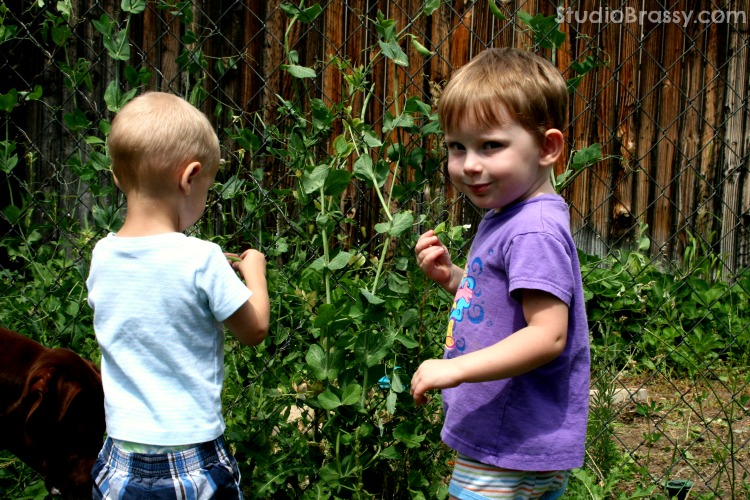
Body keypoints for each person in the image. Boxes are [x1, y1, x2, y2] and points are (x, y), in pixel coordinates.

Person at [410, 48, 590, 500]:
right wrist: (454, 277)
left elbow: (547, 334)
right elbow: (507, 301)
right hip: (515, 437)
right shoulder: (513, 215)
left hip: (506, 440)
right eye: (457, 146)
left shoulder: (532, 229)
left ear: (548, 147)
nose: (470, 164)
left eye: (491, 145)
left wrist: (456, 371)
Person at [86, 91, 270, 499]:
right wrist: (254, 273)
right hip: (191, 459)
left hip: (119, 456)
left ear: (117, 177)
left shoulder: (102, 255)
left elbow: (151, 291)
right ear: (189, 178)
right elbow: (254, 328)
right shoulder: (201, 259)